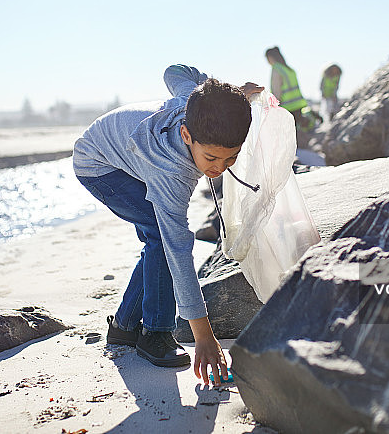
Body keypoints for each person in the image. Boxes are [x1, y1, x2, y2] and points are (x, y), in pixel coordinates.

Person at [73, 64, 262, 385]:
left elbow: (174, 72)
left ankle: (124, 326)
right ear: (187, 134)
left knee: (157, 238)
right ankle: (155, 333)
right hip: (99, 164)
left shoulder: (194, 102)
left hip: (128, 151)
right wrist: (203, 334)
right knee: (162, 239)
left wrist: (232, 99)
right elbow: (178, 250)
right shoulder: (170, 172)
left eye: (230, 159)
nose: (219, 168)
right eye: (211, 158)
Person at [265, 46, 315, 148]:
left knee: (286, 135)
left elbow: (276, 90)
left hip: (286, 107)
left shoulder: (276, 69)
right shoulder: (289, 69)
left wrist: (273, 106)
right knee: (297, 131)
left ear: (270, 57)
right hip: (297, 104)